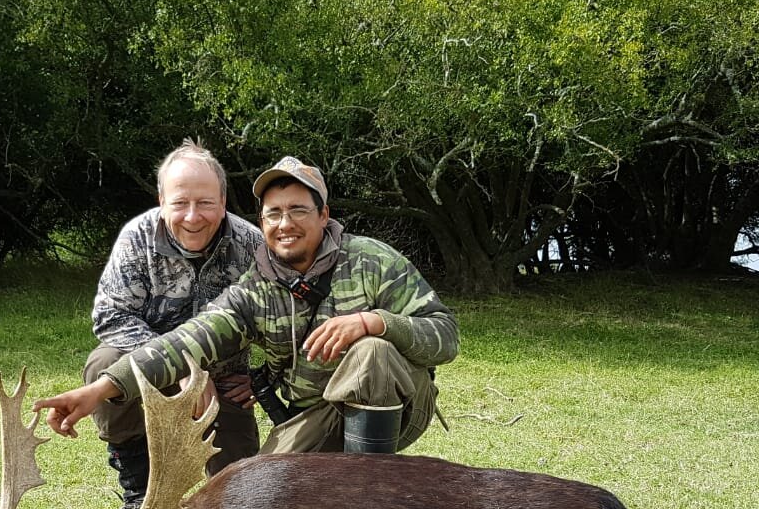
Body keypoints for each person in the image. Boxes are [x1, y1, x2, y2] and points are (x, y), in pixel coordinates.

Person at [36, 155, 458, 457]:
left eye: (298, 210)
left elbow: (445, 336)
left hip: (399, 404)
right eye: (274, 213)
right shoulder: (253, 289)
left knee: (372, 352)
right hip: (316, 412)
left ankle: (372, 494)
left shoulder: (374, 261)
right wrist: (100, 389)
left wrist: (374, 322)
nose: (285, 223)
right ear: (262, 223)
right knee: (258, 495)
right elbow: (185, 342)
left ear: (324, 214)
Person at [86, 139, 263, 509]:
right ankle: (137, 489)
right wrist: (184, 369)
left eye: (205, 203)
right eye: (180, 203)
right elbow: (109, 316)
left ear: (223, 199)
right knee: (104, 362)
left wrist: (263, 378)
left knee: (243, 501)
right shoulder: (137, 236)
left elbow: (286, 321)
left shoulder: (252, 244)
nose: (192, 216)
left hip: (224, 381)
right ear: (162, 200)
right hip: (150, 376)